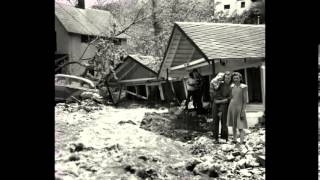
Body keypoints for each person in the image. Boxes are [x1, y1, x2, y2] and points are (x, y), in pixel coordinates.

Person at [210, 71, 232, 144]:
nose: (227, 79)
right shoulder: (218, 83)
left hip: (223, 104)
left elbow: (230, 97)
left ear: (230, 78)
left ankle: (224, 138)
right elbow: (213, 94)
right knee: (215, 121)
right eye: (226, 78)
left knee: (224, 122)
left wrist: (223, 100)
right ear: (224, 78)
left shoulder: (231, 86)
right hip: (216, 104)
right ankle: (215, 138)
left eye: (229, 78)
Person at [227, 72, 248, 144]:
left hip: (240, 108)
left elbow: (245, 101)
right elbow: (230, 97)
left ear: (240, 78)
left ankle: (241, 141)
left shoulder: (243, 87)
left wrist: (242, 111)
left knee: (240, 126)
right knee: (233, 125)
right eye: (234, 78)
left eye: (237, 78)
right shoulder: (231, 86)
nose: (235, 79)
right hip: (232, 107)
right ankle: (235, 140)